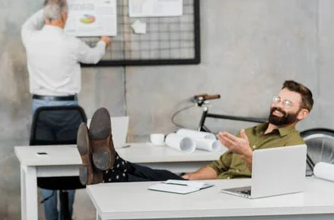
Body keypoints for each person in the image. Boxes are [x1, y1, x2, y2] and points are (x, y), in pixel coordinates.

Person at [77, 80, 313, 185]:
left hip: (239, 201)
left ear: (302, 114)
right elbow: (219, 167)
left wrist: (247, 153)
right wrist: (191, 179)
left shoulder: (295, 146)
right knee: (170, 179)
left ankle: (109, 170)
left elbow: (275, 183)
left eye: (288, 103)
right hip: (217, 189)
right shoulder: (251, 132)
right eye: (278, 99)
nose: (279, 105)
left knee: (158, 186)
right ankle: (112, 168)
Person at [21, 0, 111, 220]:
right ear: (65, 16)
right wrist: (103, 41)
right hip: (70, 110)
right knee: (73, 160)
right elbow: (93, 56)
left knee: (43, 162)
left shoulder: (30, 37)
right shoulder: (72, 43)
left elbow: (31, 22)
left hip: (41, 109)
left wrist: (49, 9)